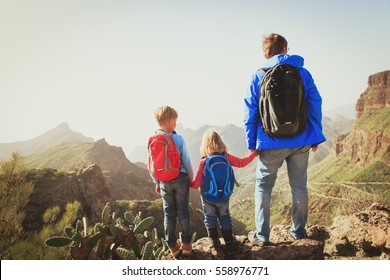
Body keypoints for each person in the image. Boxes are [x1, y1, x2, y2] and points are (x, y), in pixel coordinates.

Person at [243, 33, 326, 246]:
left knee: (263, 187)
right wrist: (315, 135)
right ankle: (298, 233)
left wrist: (252, 144)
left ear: (266, 52)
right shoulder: (302, 72)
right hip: (301, 139)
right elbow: (315, 102)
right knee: (299, 186)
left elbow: (250, 112)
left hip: (270, 142)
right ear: (285, 49)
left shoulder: (258, 75)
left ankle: (262, 237)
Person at [190, 130, 257, 250]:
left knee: (210, 218)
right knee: (225, 217)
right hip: (224, 195)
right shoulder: (226, 156)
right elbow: (242, 163)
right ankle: (230, 243)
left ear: (205, 146)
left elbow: (197, 183)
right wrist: (252, 154)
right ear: (220, 142)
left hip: (208, 196)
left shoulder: (204, 161)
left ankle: (215, 243)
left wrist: (186, 182)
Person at [148, 106, 194, 257]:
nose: (176, 123)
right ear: (170, 120)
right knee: (183, 212)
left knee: (169, 214)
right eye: (175, 120)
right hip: (180, 179)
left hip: (164, 182)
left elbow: (151, 164)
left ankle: (173, 246)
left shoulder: (152, 140)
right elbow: (186, 160)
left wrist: (157, 181)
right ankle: (187, 245)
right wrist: (191, 178)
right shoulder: (178, 139)